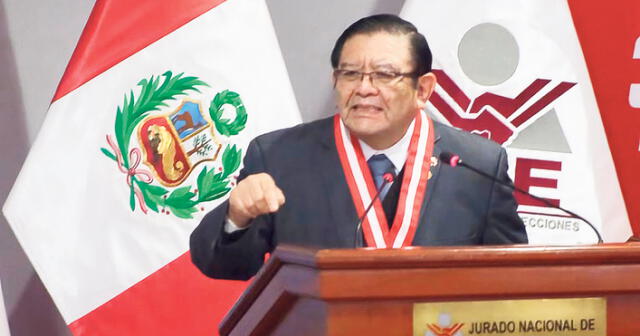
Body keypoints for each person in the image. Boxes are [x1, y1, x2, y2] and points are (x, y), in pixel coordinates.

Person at [190, 14, 527, 280]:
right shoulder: (279, 157)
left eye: (384, 75)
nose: (364, 89)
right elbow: (222, 265)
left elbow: (514, 279)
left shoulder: (478, 164)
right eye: (350, 74)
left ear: (423, 90)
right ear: (335, 81)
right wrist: (238, 216)